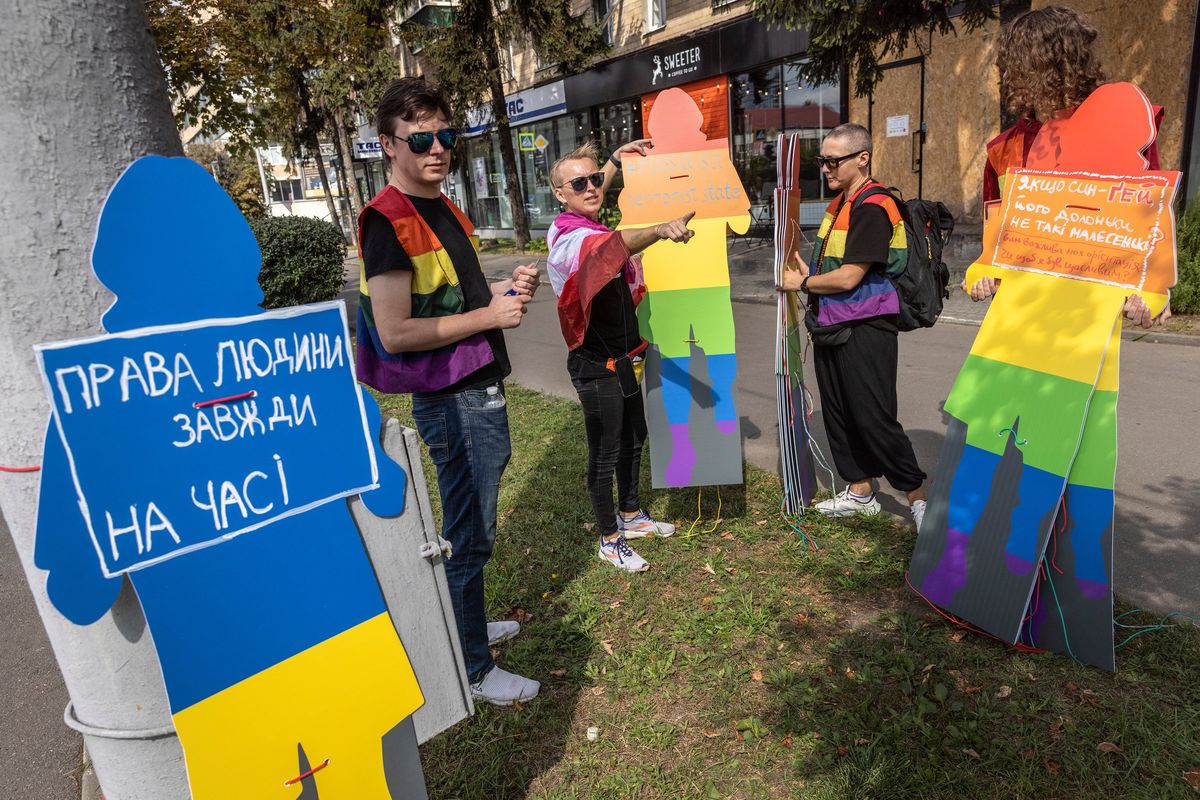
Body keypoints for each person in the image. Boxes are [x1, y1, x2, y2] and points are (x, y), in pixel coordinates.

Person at [357, 77, 541, 706]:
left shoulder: (442, 204)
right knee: (470, 531)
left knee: (473, 525)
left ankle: (470, 628)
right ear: (388, 144)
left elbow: (459, 295)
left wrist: (504, 292)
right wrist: (489, 318)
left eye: (446, 135)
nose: (438, 148)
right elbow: (396, 332)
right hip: (454, 399)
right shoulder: (386, 221)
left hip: (476, 389)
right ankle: (473, 668)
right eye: (421, 138)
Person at [968, 4, 1169, 329]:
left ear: (1060, 63)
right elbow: (994, 242)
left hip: (1089, 317)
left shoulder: (1120, 124)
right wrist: (984, 275)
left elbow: (1150, 217)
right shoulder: (1002, 150)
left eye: (1028, 64)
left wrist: (1154, 291)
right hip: (1017, 320)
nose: (1020, 77)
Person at [546, 140, 696, 572]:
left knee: (635, 437)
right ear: (560, 194)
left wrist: (612, 160)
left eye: (596, 180)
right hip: (595, 365)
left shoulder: (585, 217)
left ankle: (630, 515)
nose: (593, 188)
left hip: (626, 355)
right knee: (605, 452)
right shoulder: (572, 241)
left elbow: (593, 192)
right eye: (580, 183)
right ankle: (609, 538)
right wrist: (659, 230)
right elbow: (616, 247)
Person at [777, 123, 927, 530]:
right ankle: (860, 491)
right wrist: (808, 270)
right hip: (833, 322)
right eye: (821, 160)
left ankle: (918, 498)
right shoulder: (841, 203)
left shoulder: (873, 206)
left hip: (866, 326)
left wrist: (802, 283)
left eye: (832, 160)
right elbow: (834, 267)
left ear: (862, 158)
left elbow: (849, 278)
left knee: (874, 416)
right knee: (840, 413)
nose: (825, 168)